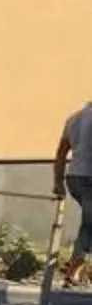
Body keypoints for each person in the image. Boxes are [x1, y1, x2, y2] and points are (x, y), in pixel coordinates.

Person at [53, 98, 92, 283]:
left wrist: (58, 182)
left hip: (74, 177)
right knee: (89, 223)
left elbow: (61, 152)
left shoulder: (73, 119)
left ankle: (76, 266)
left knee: (89, 222)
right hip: (89, 177)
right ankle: (75, 266)